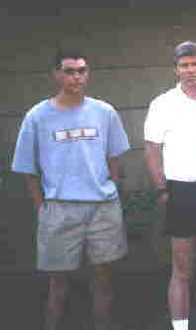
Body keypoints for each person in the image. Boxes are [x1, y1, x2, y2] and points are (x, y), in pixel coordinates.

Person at [11, 50, 130, 330]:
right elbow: (28, 169)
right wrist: (43, 206)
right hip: (59, 208)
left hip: (102, 207)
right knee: (58, 281)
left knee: (103, 277)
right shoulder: (37, 117)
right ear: (56, 74)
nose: (76, 77)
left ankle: (103, 324)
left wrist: (109, 190)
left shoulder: (104, 112)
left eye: (82, 71)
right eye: (69, 71)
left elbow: (114, 158)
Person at [144, 41, 196, 330]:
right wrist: (162, 190)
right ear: (176, 69)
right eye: (184, 65)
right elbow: (152, 150)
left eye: (195, 64)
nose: (190, 70)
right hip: (179, 191)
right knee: (182, 269)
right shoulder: (162, 103)